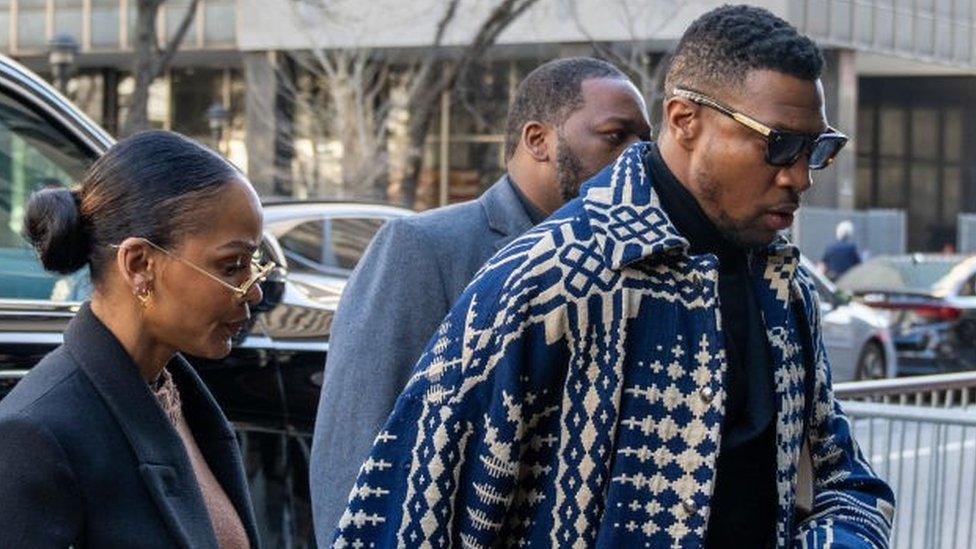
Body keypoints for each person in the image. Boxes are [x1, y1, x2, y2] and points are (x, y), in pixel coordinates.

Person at [331, 6, 894, 548]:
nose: (800, 176)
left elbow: (842, 478)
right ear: (684, 121)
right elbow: (403, 511)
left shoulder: (785, 289)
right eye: (779, 145)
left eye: (817, 149)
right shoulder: (553, 273)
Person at [308, 57, 651, 543]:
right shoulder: (423, 247)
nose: (637, 157)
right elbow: (356, 448)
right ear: (538, 141)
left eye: (646, 141)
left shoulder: (630, 265)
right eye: (616, 137)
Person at [0, 131, 267, 548]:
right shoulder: (34, 437)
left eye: (254, 265)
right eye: (232, 265)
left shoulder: (178, 397)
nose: (254, 291)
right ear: (140, 264)